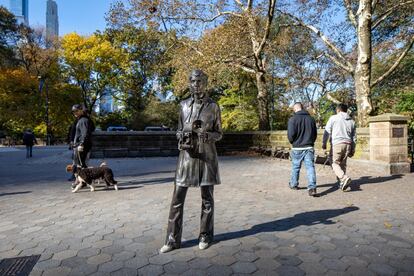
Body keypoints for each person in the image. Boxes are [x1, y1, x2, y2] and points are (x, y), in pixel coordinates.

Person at [160, 69, 223, 253]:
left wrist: (208, 135)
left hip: (206, 157)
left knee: (207, 199)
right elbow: (178, 130)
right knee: (177, 199)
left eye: (200, 81)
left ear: (205, 83)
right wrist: (181, 134)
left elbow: (219, 133)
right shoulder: (183, 105)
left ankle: (205, 235)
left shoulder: (214, 106)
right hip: (187, 157)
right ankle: (172, 239)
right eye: (193, 81)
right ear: (189, 84)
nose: (197, 85)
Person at [322, 103, 356, 191]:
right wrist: (353, 149)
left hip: (337, 144)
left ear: (338, 110)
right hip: (348, 144)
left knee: (334, 163)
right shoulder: (352, 121)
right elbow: (354, 138)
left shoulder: (333, 118)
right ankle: (342, 184)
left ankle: (344, 178)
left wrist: (324, 145)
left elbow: (326, 132)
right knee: (343, 165)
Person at [287, 102, 318, 196]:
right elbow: (315, 134)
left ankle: (294, 184)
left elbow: (290, 135)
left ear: (295, 109)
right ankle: (312, 187)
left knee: (296, 167)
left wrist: (293, 142)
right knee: (310, 167)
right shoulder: (311, 119)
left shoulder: (292, 119)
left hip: (297, 147)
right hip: (309, 146)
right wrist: (310, 141)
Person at [71, 104, 95, 169]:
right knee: (79, 164)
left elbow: (85, 134)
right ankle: (77, 177)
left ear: (81, 110)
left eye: (76, 110)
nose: (74, 112)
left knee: (82, 165)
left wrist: (81, 145)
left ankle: (83, 178)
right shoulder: (80, 120)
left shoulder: (84, 120)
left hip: (82, 147)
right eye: (73, 111)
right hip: (79, 146)